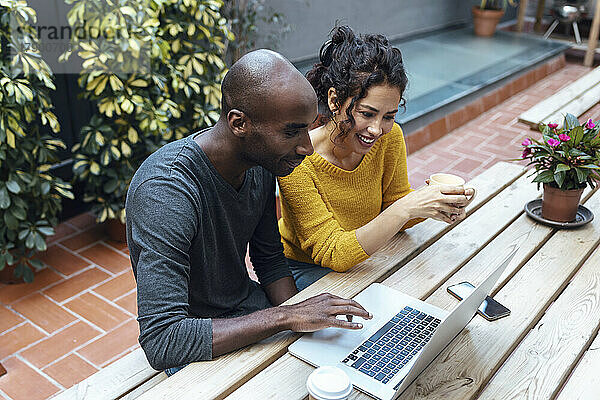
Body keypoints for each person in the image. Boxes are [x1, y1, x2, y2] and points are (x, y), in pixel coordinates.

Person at [126, 49, 372, 375]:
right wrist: (286, 317)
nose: (306, 147)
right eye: (291, 132)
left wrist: (304, 326)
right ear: (239, 123)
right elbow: (164, 339)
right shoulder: (166, 192)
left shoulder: (260, 162)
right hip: (196, 340)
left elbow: (269, 260)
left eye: (308, 129)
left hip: (249, 313)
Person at [278, 26, 474, 291]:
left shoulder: (388, 138)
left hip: (364, 255)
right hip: (308, 269)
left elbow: (394, 204)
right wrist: (408, 206)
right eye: (367, 113)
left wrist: (435, 203)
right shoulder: (298, 160)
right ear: (335, 101)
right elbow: (333, 252)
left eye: (389, 116)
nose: (376, 129)